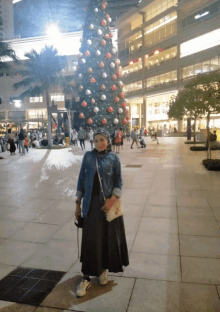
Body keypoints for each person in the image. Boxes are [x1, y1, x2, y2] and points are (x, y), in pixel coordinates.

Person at [75, 128, 129, 298]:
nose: (99, 143)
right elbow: (81, 180)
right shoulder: (88, 157)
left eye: (102, 140)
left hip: (107, 206)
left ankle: (103, 270)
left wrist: (112, 201)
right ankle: (86, 277)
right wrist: (78, 204)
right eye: (96, 140)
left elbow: (118, 182)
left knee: (106, 238)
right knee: (90, 240)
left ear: (108, 140)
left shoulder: (114, 158)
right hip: (90, 206)